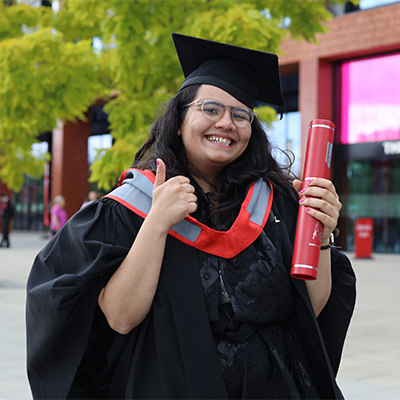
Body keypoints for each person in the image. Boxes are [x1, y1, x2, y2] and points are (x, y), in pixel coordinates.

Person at [26, 33, 356, 400]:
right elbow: (120, 318)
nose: (226, 123)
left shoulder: (277, 202)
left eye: (240, 114)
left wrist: (321, 235)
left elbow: (313, 306)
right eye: (211, 109)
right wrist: (156, 224)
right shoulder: (129, 208)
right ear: (179, 120)